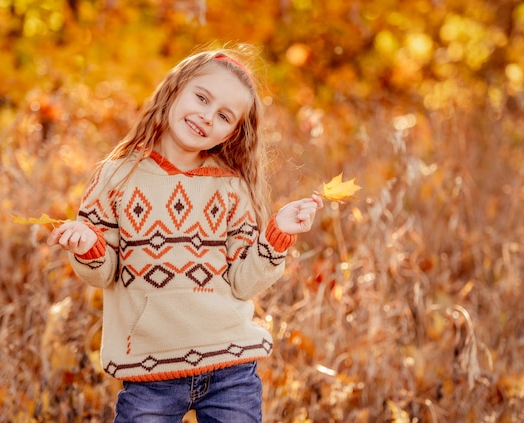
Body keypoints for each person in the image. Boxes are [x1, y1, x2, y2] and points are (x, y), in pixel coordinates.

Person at [47, 45, 323, 422]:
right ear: (174, 89)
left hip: (231, 365)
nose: (207, 117)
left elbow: (243, 282)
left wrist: (275, 236)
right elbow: (102, 272)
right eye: (202, 97)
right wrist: (87, 246)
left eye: (224, 116)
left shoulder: (230, 187)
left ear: (234, 133)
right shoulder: (116, 177)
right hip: (149, 371)